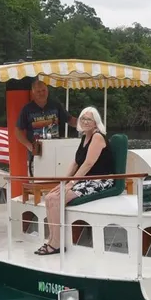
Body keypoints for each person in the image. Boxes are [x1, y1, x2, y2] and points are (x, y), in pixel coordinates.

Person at [35, 106, 114, 255]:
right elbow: (76, 162)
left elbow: (88, 163)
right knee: (50, 197)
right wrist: (64, 181)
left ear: (96, 122)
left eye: (89, 119)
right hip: (86, 180)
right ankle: (52, 240)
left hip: (101, 180)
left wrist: (71, 183)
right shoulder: (85, 137)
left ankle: (57, 244)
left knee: (58, 198)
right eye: (83, 118)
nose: (85, 121)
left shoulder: (97, 137)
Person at [15, 79, 78, 176]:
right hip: (36, 151)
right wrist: (29, 145)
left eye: (43, 90)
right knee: (37, 180)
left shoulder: (56, 106)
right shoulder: (27, 109)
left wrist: (85, 122)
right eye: (38, 91)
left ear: (47, 90)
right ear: (33, 93)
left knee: (57, 176)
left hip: (56, 149)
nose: (41, 93)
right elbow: (18, 131)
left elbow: (70, 120)